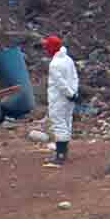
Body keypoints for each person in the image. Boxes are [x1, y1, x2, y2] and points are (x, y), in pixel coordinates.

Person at [43, 35, 78, 164]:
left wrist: (68, 93)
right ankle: (64, 151)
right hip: (70, 97)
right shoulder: (69, 60)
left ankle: (60, 155)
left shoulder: (54, 64)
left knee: (59, 124)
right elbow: (74, 77)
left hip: (59, 98)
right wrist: (74, 93)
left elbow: (60, 83)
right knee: (67, 122)